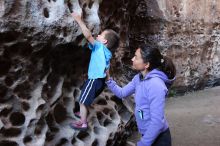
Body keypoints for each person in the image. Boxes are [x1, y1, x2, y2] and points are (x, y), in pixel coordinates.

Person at [106, 45, 176, 146]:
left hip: (159, 139)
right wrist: (108, 79)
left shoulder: (155, 84)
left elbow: (157, 122)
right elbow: (122, 93)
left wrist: (143, 143)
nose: (132, 59)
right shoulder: (138, 78)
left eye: (136, 57)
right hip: (147, 134)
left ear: (146, 64)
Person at [70, 11, 119, 130]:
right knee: (85, 97)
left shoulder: (99, 47)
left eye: (100, 35)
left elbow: (88, 36)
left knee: (82, 101)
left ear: (104, 42)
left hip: (94, 80)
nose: (98, 36)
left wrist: (79, 20)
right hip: (100, 82)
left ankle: (83, 123)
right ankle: (82, 113)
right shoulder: (108, 53)